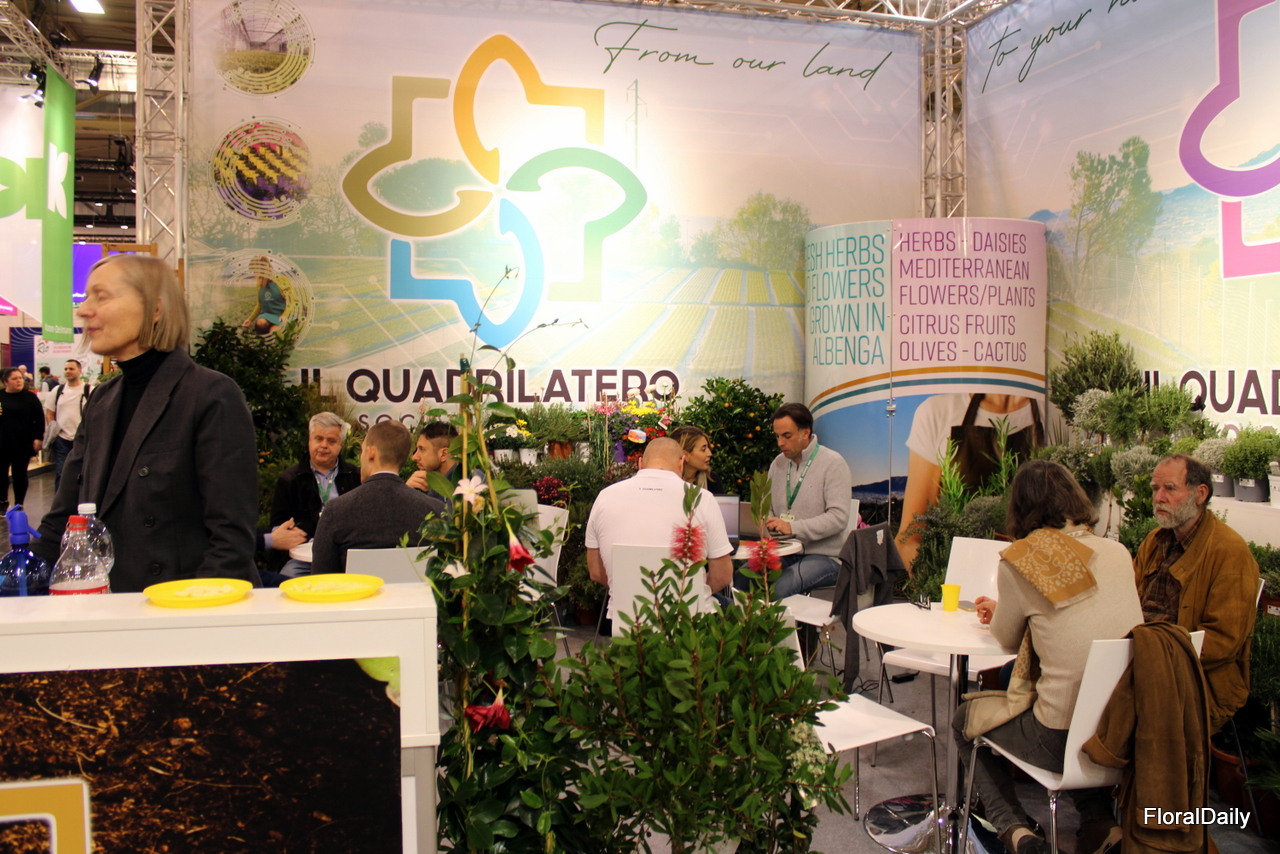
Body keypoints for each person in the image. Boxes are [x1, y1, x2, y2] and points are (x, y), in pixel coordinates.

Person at [34, 254, 261, 592]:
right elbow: (63, 520)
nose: (84, 310)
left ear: (155, 309)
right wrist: (22, 578)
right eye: (87, 298)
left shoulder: (210, 395)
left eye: (101, 297)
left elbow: (230, 541)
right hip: (111, 606)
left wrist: (190, 612)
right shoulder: (101, 400)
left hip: (181, 608)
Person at [954, 460, 1141, 854]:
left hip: (1059, 739)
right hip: (1123, 729)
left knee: (963, 721)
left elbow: (1006, 638)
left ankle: (1016, 834)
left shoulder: (1022, 560)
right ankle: (1100, 824)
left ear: (1021, 507)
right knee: (1070, 692)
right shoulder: (1119, 552)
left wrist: (1004, 610)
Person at [1135, 453, 1259, 734]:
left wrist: (1156, 655)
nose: (1159, 498)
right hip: (1142, 662)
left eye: (1170, 488)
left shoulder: (1229, 552)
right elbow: (1128, 602)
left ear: (1200, 494)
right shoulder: (1154, 541)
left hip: (1195, 681)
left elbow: (1223, 641)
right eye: (1155, 489)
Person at [586, 437, 733, 619]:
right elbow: (722, 576)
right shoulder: (702, 498)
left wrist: (635, 593)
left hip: (628, 621)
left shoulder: (605, 497)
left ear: (640, 463)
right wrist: (692, 591)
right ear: (681, 463)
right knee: (732, 606)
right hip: (690, 621)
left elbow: (596, 572)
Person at [898, 393, 1043, 570]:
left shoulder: (1056, 412)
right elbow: (910, 538)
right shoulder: (938, 411)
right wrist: (939, 579)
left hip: (1039, 576)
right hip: (961, 574)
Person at [311, 420, 444, 575]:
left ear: (371, 453)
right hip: (418, 591)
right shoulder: (436, 511)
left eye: (362, 452)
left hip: (356, 591)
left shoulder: (335, 511)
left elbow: (321, 578)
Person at [759, 402, 851, 598]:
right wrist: (769, 523)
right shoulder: (778, 464)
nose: (780, 443)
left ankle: (776, 620)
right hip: (785, 551)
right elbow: (767, 508)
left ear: (806, 432)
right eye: (777, 436)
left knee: (781, 588)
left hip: (825, 556)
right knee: (744, 576)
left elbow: (838, 518)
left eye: (787, 436)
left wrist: (792, 527)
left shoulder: (833, 463)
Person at [266, 411, 363, 577]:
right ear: (309, 441)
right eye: (319, 439)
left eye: (331, 441)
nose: (324, 445)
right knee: (286, 581)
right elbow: (278, 527)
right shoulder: (290, 480)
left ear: (340, 445)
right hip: (302, 558)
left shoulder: (355, 476)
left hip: (346, 553)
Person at [0, 366, 44, 511]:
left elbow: (39, 419)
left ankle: (19, 503)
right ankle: (2, 501)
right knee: (1, 474)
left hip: (23, 442)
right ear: (6, 382)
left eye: (20, 378)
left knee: (20, 474)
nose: (19, 381)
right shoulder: (1, 396)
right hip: (2, 442)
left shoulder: (30, 397)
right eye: (14, 379)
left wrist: (38, 437)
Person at [44, 359, 91, 490]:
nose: (68, 371)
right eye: (66, 369)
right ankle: (60, 501)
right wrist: (53, 429)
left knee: (83, 473)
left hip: (83, 440)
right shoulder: (57, 391)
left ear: (80, 371)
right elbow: (50, 413)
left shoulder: (89, 390)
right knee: (61, 472)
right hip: (62, 439)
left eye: (71, 369)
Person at [407, 421, 459, 503]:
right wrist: (406, 493)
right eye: (417, 450)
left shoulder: (466, 484)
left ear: (444, 454)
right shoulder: (438, 485)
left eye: (422, 449)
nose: (414, 457)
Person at [668, 425, 720, 492]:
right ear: (685, 455)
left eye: (708, 448)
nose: (710, 454)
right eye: (703, 449)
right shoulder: (666, 481)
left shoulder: (712, 480)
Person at [243, 256, 287, 335]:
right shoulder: (260, 285)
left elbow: (291, 302)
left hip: (281, 315)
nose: (255, 274)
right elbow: (259, 305)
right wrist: (250, 319)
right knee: (260, 323)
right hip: (267, 315)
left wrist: (285, 315)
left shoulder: (280, 281)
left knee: (275, 332)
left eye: (255, 271)